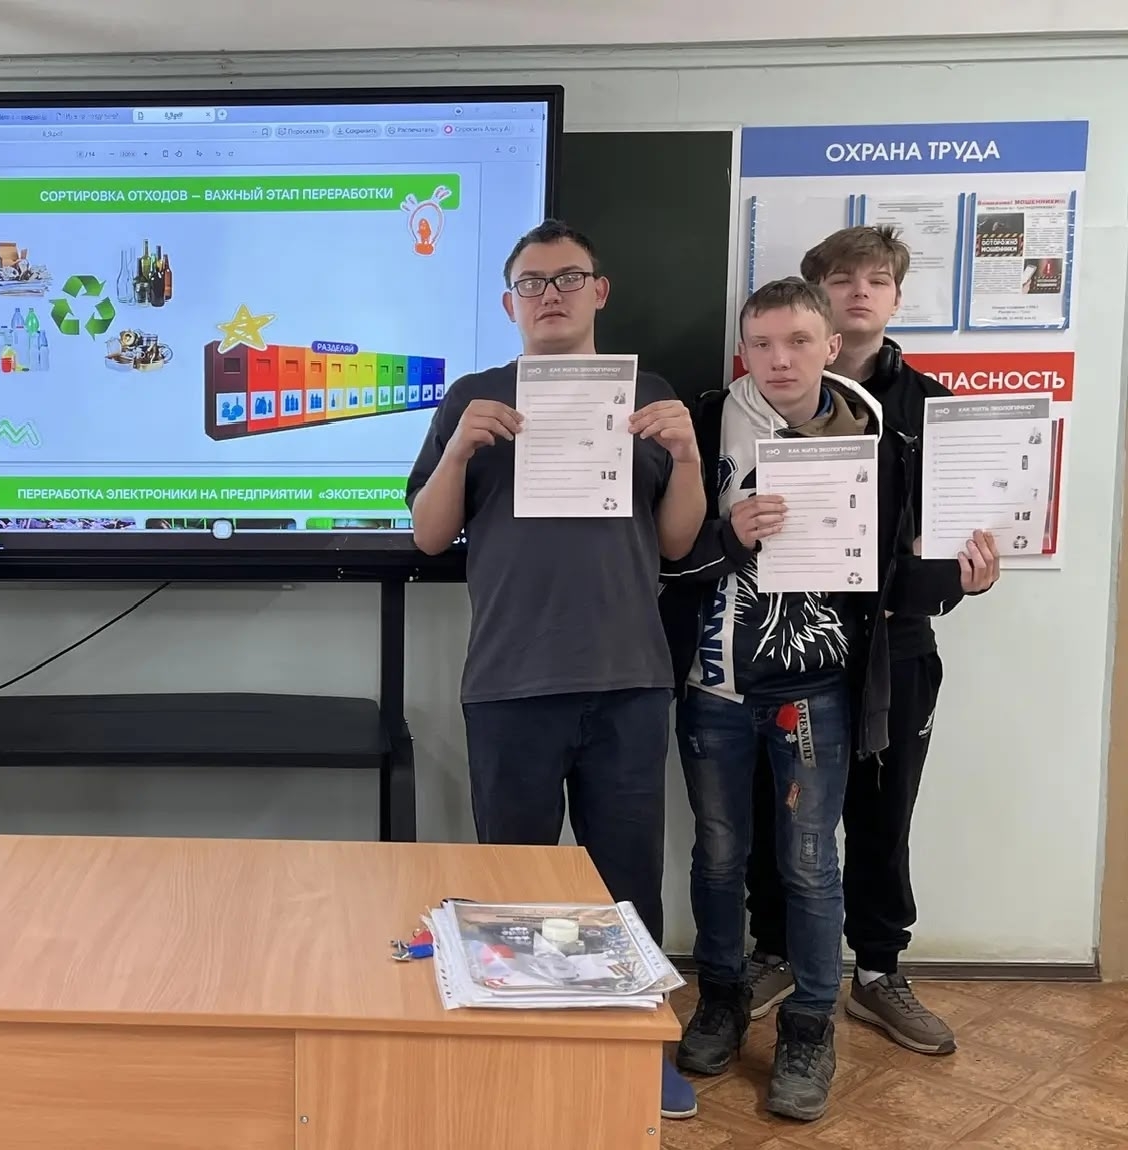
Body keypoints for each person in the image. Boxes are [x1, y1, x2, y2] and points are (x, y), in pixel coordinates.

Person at [405, 219, 708, 1120]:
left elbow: (678, 541)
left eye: (568, 278)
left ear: (598, 292)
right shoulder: (473, 397)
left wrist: (688, 455)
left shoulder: (650, 397)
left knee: (627, 882)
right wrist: (459, 449)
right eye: (531, 283)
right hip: (512, 681)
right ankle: (524, 1042)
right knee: (514, 885)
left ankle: (639, 1048)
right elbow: (428, 537)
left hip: (628, 679)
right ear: (510, 303)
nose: (550, 295)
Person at [658, 277, 968, 1122]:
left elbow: (908, 566)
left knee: (809, 863)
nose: (780, 360)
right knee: (718, 856)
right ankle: (720, 999)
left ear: (830, 346)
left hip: (819, 690)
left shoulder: (879, 431)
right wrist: (730, 537)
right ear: (743, 352)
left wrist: (964, 577)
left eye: (798, 341)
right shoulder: (704, 423)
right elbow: (667, 558)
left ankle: (808, 1028)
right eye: (761, 344)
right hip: (716, 684)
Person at [740, 226, 1001, 1055]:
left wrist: (966, 579)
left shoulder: (933, 408)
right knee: (777, 809)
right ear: (815, 299)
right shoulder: (760, 401)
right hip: (788, 645)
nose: (860, 292)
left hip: (896, 648)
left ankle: (880, 971)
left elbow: (954, 537)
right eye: (843, 279)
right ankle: (776, 950)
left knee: (883, 818)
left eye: (877, 280)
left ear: (895, 297)